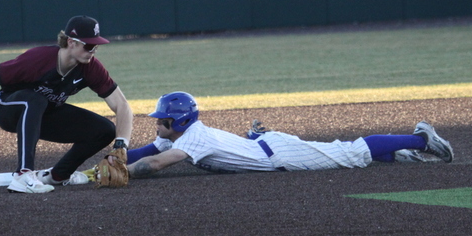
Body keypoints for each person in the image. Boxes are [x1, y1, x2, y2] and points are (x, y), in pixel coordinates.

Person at [0, 16, 133, 194]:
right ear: (71, 42)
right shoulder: (40, 58)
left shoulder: (91, 68)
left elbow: (122, 105)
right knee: (36, 99)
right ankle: (23, 175)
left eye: (96, 46)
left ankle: (57, 175)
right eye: (89, 46)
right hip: (8, 108)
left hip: (42, 113)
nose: (93, 51)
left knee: (105, 130)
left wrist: (121, 145)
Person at [123, 91, 453, 179]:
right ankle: (395, 154)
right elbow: (144, 152)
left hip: (280, 156)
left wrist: (120, 175)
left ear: (179, 121)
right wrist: (112, 159)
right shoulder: (175, 135)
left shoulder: (191, 138)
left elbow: (154, 164)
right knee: (343, 153)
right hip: (264, 145)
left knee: (349, 153)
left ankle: (422, 139)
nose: (157, 124)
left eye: (162, 120)